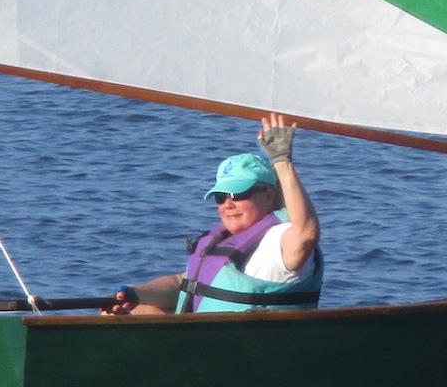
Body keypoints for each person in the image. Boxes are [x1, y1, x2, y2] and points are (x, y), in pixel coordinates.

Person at [107, 114, 322, 315]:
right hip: (204, 337)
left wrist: (282, 161)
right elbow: (183, 283)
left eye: (239, 194)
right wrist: (136, 294)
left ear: (268, 196)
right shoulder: (226, 239)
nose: (228, 204)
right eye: (220, 197)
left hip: (249, 342)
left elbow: (306, 236)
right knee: (123, 311)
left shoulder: (280, 238)